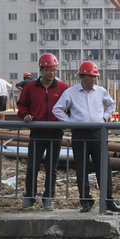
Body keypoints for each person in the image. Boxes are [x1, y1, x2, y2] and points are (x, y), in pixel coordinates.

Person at [52, 61, 120, 213]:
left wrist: (104, 118)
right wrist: (70, 122)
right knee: (81, 168)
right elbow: (57, 109)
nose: (93, 79)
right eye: (90, 76)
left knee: (103, 167)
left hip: (98, 132)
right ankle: (85, 201)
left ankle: (108, 200)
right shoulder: (71, 93)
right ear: (81, 76)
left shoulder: (100, 91)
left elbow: (111, 104)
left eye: (95, 77)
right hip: (80, 133)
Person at [17, 53, 70, 211]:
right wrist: (25, 115)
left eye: (54, 70)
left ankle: (48, 199)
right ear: (41, 70)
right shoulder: (30, 88)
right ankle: (30, 197)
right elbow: (21, 105)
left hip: (55, 133)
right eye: (48, 70)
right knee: (32, 166)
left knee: (52, 168)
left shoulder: (63, 88)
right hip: (37, 133)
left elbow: (71, 106)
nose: (51, 73)